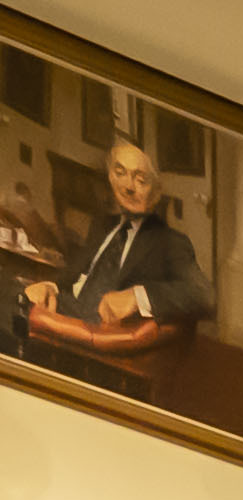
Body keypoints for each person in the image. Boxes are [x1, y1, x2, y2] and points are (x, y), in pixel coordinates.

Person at [4, 138, 212, 388]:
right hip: (67, 308)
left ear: (156, 193)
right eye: (120, 173)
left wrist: (137, 296)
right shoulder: (104, 225)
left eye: (140, 179)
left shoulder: (170, 242)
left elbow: (204, 296)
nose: (128, 187)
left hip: (98, 328)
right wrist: (52, 286)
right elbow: (74, 274)